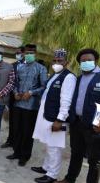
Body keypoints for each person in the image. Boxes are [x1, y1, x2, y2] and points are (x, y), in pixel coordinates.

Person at [31, 49, 77, 183]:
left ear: (66, 62)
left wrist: (59, 120)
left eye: (60, 61)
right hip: (47, 114)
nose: (56, 63)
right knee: (48, 144)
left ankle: (52, 175)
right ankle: (46, 167)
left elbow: (66, 101)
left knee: (54, 147)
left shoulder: (68, 77)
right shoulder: (55, 75)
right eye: (55, 61)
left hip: (56, 118)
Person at [56, 49, 100, 183]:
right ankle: (70, 179)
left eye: (89, 60)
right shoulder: (79, 78)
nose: (86, 62)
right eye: (83, 61)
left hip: (94, 126)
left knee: (94, 160)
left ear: (96, 61)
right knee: (76, 153)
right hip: (77, 123)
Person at [7, 44, 48, 166]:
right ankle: (16, 152)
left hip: (31, 106)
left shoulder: (41, 69)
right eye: (28, 52)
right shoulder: (20, 67)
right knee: (17, 129)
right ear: (24, 53)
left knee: (27, 131)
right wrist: (14, 93)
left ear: (36, 54)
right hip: (18, 103)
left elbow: (44, 87)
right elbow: (14, 83)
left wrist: (31, 92)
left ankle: (25, 156)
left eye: (32, 52)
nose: (30, 54)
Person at [1, 46, 25, 148]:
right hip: (12, 97)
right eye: (16, 53)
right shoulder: (12, 66)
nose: (17, 54)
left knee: (21, 122)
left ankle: (17, 143)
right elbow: (9, 81)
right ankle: (10, 140)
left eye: (19, 53)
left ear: (24, 53)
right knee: (12, 121)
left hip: (23, 98)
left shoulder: (30, 66)